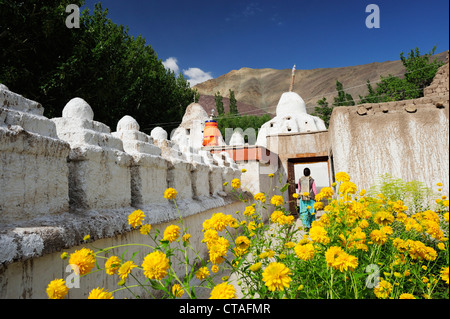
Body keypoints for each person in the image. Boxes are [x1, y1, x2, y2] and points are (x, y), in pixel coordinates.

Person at [297, 167, 317, 232]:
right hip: (311, 198)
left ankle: (306, 226)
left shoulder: (300, 180)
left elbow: (299, 189)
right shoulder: (312, 180)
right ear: (309, 173)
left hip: (302, 198)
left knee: (303, 212)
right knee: (312, 212)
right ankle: (312, 225)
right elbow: (314, 190)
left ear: (303, 173)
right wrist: (316, 197)